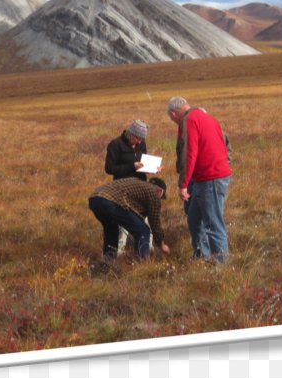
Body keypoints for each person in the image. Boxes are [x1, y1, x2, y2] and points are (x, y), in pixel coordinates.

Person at [167, 96, 232, 263]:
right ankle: (202, 255)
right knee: (194, 218)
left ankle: (221, 266)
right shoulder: (208, 118)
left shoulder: (189, 121)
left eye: (172, 119)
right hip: (210, 177)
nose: (174, 122)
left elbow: (189, 154)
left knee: (213, 223)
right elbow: (224, 145)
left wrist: (183, 185)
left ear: (174, 113)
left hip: (210, 178)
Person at [88, 176, 171, 262]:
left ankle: (108, 262)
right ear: (160, 191)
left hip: (95, 199)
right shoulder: (154, 194)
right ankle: (142, 264)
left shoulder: (138, 184)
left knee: (111, 230)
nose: (160, 199)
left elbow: (132, 211)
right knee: (143, 230)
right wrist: (161, 245)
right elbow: (155, 223)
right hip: (110, 201)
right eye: (162, 196)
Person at [105, 119, 153, 253]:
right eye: (137, 138)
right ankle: (118, 253)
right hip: (122, 189)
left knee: (146, 220)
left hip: (140, 187)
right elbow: (109, 168)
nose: (139, 142)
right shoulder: (115, 145)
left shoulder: (141, 144)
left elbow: (144, 163)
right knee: (123, 223)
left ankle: (147, 249)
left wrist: (151, 168)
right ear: (130, 133)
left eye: (142, 139)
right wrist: (131, 166)